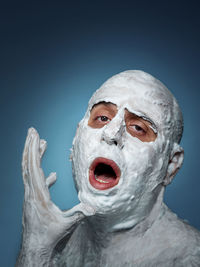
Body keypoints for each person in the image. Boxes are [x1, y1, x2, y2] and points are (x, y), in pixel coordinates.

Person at [16, 70, 200, 267]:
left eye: (138, 127)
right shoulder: (52, 244)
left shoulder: (190, 258)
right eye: (102, 118)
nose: (111, 133)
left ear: (171, 165)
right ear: (76, 138)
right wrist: (35, 249)